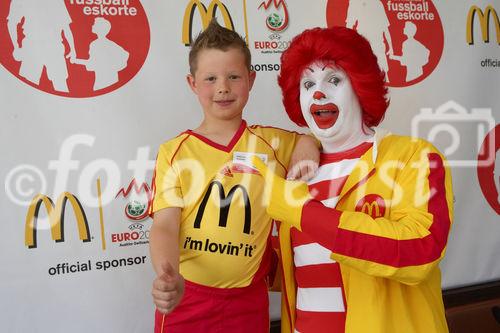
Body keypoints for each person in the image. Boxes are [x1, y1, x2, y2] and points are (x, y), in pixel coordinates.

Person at [252, 26, 453, 333]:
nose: (318, 93)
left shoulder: (414, 157)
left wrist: (300, 210)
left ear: (360, 86)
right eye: (307, 84)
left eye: (333, 79)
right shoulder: (295, 174)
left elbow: (420, 250)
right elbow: (291, 274)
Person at [149, 19, 319, 333]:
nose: (223, 87)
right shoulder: (175, 151)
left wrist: (308, 143)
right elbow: (164, 225)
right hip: (188, 298)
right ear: (192, 83)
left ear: (251, 79)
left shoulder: (273, 143)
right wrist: (167, 274)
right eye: (210, 78)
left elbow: (314, 138)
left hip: (248, 300)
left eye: (234, 76)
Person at [70, 17, 129, 91]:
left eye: (94, 24)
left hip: (102, 80)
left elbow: (92, 63)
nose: (92, 25)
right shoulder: (110, 43)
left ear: (99, 28)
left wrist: (76, 60)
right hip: (111, 78)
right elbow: (125, 54)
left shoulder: (95, 44)